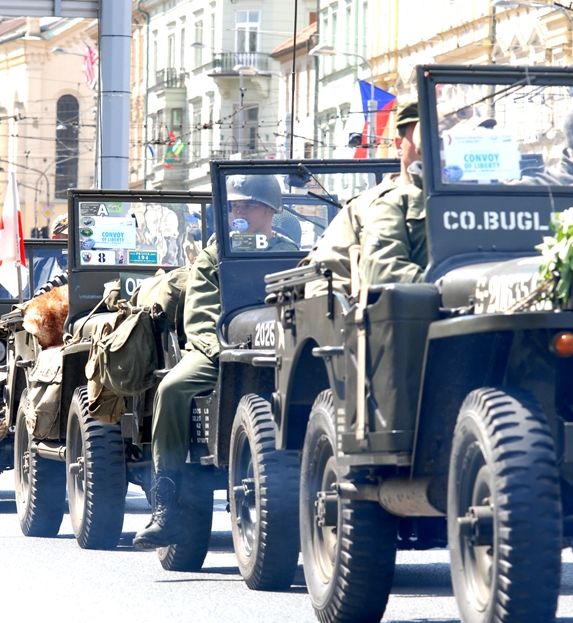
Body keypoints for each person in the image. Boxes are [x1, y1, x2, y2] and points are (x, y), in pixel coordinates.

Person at [132, 175, 291, 550]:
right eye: (233, 205)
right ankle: (165, 508)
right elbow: (200, 317)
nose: (236, 211)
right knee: (171, 389)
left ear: (269, 210)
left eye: (245, 205)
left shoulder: (290, 250)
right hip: (222, 351)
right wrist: (223, 352)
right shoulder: (215, 253)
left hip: (282, 350)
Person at [304, 99, 428, 298]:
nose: (431, 147)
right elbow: (325, 282)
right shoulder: (364, 207)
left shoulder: (466, 200)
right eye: (423, 137)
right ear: (399, 145)